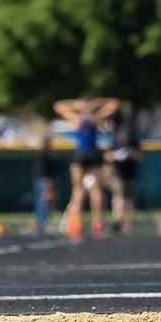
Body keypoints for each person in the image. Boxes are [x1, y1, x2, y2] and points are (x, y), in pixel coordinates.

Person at [53, 95, 120, 237]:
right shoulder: (95, 119)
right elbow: (113, 104)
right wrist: (95, 104)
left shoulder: (78, 119)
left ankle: (77, 223)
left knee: (78, 191)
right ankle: (97, 223)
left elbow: (58, 106)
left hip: (82, 155)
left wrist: (77, 105)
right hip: (93, 155)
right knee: (95, 189)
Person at [108, 126, 142, 234]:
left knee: (129, 200)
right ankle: (118, 221)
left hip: (130, 175)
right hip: (118, 175)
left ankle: (128, 223)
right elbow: (107, 156)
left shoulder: (134, 143)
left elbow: (140, 157)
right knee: (119, 198)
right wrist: (115, 156)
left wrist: (131, 154)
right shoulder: (115, 144)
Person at [32, 133, 56, 237]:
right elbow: (43, 169)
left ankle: (41, 221)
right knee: (44, 201)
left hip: (41, 179)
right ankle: (43, 222)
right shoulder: (45, 154)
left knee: (42, 201)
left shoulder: (44, 154)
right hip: (44, 180)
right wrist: (48, 181)